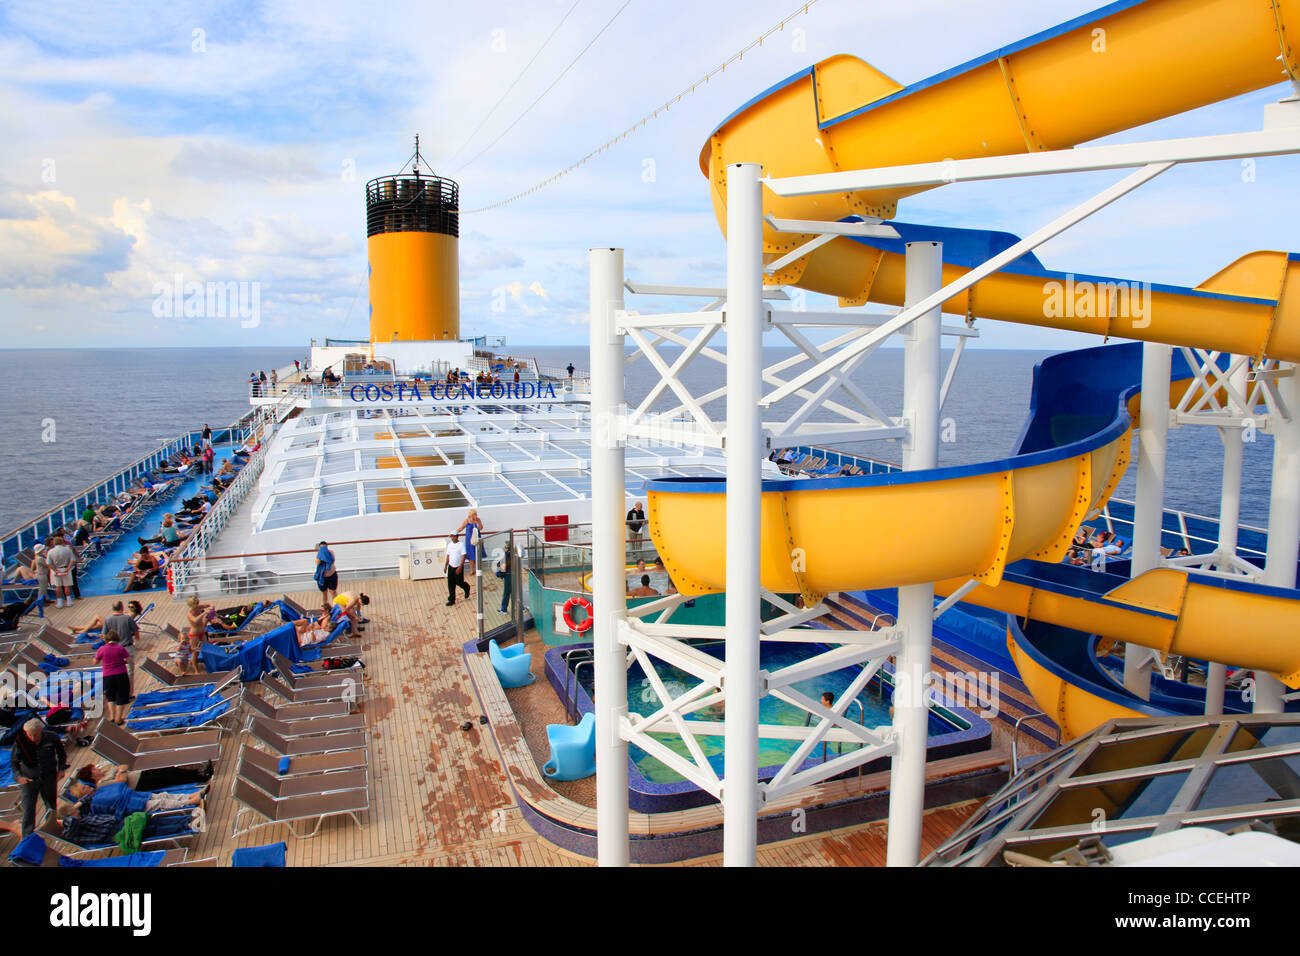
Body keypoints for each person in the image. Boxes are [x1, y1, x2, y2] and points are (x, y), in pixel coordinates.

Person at [11, 717, 67, 838]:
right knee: (28, 809)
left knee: (51, 805)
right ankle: (27, 837)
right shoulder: (21, 742)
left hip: (48, 777)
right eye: (29, 735)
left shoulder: (52, 737)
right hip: (29, 780)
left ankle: (51, 829)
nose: (32, 738)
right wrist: (19, 777)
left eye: (35, 735)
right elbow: (14, 762)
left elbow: (61, 753)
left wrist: (61, 768)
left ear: (41, 731)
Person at [102, 600, 139, 697]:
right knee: (130, 672)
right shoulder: (127, 618)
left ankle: (118, 693)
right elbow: (136, 631)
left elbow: (104, 635)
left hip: (113, 650)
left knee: (116, 671)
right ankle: (129, 694)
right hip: (127, 648)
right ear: (122, 608)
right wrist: (136, 640)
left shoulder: (108, 620)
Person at [95, 632, 132, 725]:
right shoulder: (120, 648)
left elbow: (95, 661)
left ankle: (112, 717)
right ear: (117, 638)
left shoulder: (101, 649)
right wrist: (121, 662)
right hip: (120, 674)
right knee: (121, 695)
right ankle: (118, 719)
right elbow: (128, 660)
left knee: (110, 696)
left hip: (107, 676)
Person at [182, 595, 211, 676]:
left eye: (198, 601)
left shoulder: (199, 607)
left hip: (202, 632)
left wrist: (211, 607)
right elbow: (195, 621)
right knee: (195, 652)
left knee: (207, 648)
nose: (199, 603)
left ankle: (210, 664)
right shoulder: (190, 613)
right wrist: (204, 613)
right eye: (197, 602)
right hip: (194, 635)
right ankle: (196, 670)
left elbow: (208, 605)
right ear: (192, 604)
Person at [46, 536, 76, 608]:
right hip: (65, 569)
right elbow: (73, 560)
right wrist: (68, 568)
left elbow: (48, 563)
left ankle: (60, 602)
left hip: (56, 570)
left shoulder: (50, 551)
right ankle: (69, 601)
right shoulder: (68, 550)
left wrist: (55, 570)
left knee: (58, 586)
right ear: (62, 542)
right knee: (66, 586)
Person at [454, 510, 483, 577]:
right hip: (469, 540)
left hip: (477, 539)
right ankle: (471, 570)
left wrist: (477, 522)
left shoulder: (478, 520)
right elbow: (461, 528)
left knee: (477, 554)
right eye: (474, 514)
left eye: (476, 514)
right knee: (470, 555)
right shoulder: (466, 521)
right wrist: (454, 533)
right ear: (471, 515)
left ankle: (477, 569)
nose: (475, 515)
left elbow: (481, 528)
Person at [444, 533, 470, 606]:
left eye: (453, 536)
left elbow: (464, 555)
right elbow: (448, 556)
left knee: (459, 582)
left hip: (458, 566)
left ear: (457, 536)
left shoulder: (461, 544)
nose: (452, 538)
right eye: (451, 537)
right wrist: (446, 566)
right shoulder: (449, 545)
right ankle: (452, 599)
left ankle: (467, 587)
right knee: (450, 583)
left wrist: (460, 567)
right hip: (451, 566)